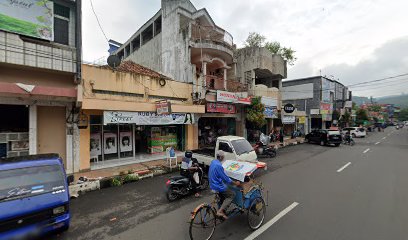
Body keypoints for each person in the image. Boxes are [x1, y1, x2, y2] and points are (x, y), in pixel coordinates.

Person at [209, 151, 240, 220]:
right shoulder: (219, 166)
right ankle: (220, 211)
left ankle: (222, 209)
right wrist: (235, 183)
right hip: (217, 186)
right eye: (223, 156)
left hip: (212, 184)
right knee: (232, 194)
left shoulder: (213, 162)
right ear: (221, 157)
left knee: (222, 195)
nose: (223, 158)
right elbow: (226, 179)